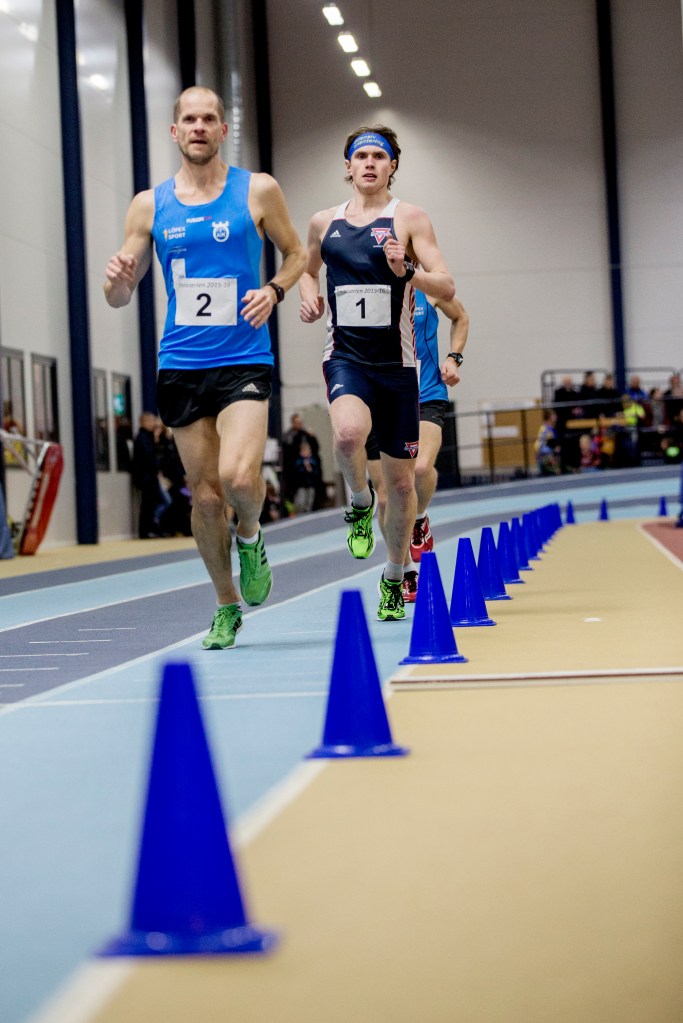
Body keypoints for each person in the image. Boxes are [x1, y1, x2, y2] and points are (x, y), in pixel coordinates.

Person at [104, 86, 305, 649]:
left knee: (241, 479)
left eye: (208, 119)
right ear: (175, 132)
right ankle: (225, 603)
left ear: (222, 130)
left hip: (243, 355)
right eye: (188, 119)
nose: (198, 127)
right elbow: (120, 293)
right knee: (206, 494)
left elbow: (296, 255)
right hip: (181, 362)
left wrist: (273, 290)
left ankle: (251, 535)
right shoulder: (149, 204)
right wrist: (117, 283)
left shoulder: (257, 190)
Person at [299, 125, 456, 621]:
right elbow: (305, 269)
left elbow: (447, 285)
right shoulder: (323, 223)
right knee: (347, 435)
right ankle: (359, 502)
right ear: (347, 166)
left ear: (392, 166)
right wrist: (308, 294)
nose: (369, 163)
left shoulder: (409, 218)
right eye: (360, 156)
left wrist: (408, 270)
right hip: (345, 356)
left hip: (398, 366)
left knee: (405, 487)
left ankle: (393, 575)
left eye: (378, 156)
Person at [366, 289, 469, 602]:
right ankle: (405, 569)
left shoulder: (428, 287)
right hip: (378, 401)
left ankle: (420, 518)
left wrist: (454, 357)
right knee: (385, 499)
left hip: (426, 394)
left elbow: (461, 317)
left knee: (421, 467)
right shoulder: (368, 287)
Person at [534, 409, 561, 476]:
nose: (556, 416)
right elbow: (539, 446)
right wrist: (551, 454)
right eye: (553, 415)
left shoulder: (552, 428)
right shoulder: (546, 429)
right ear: (549, 417)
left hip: (549, 454)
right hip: (543, 456)